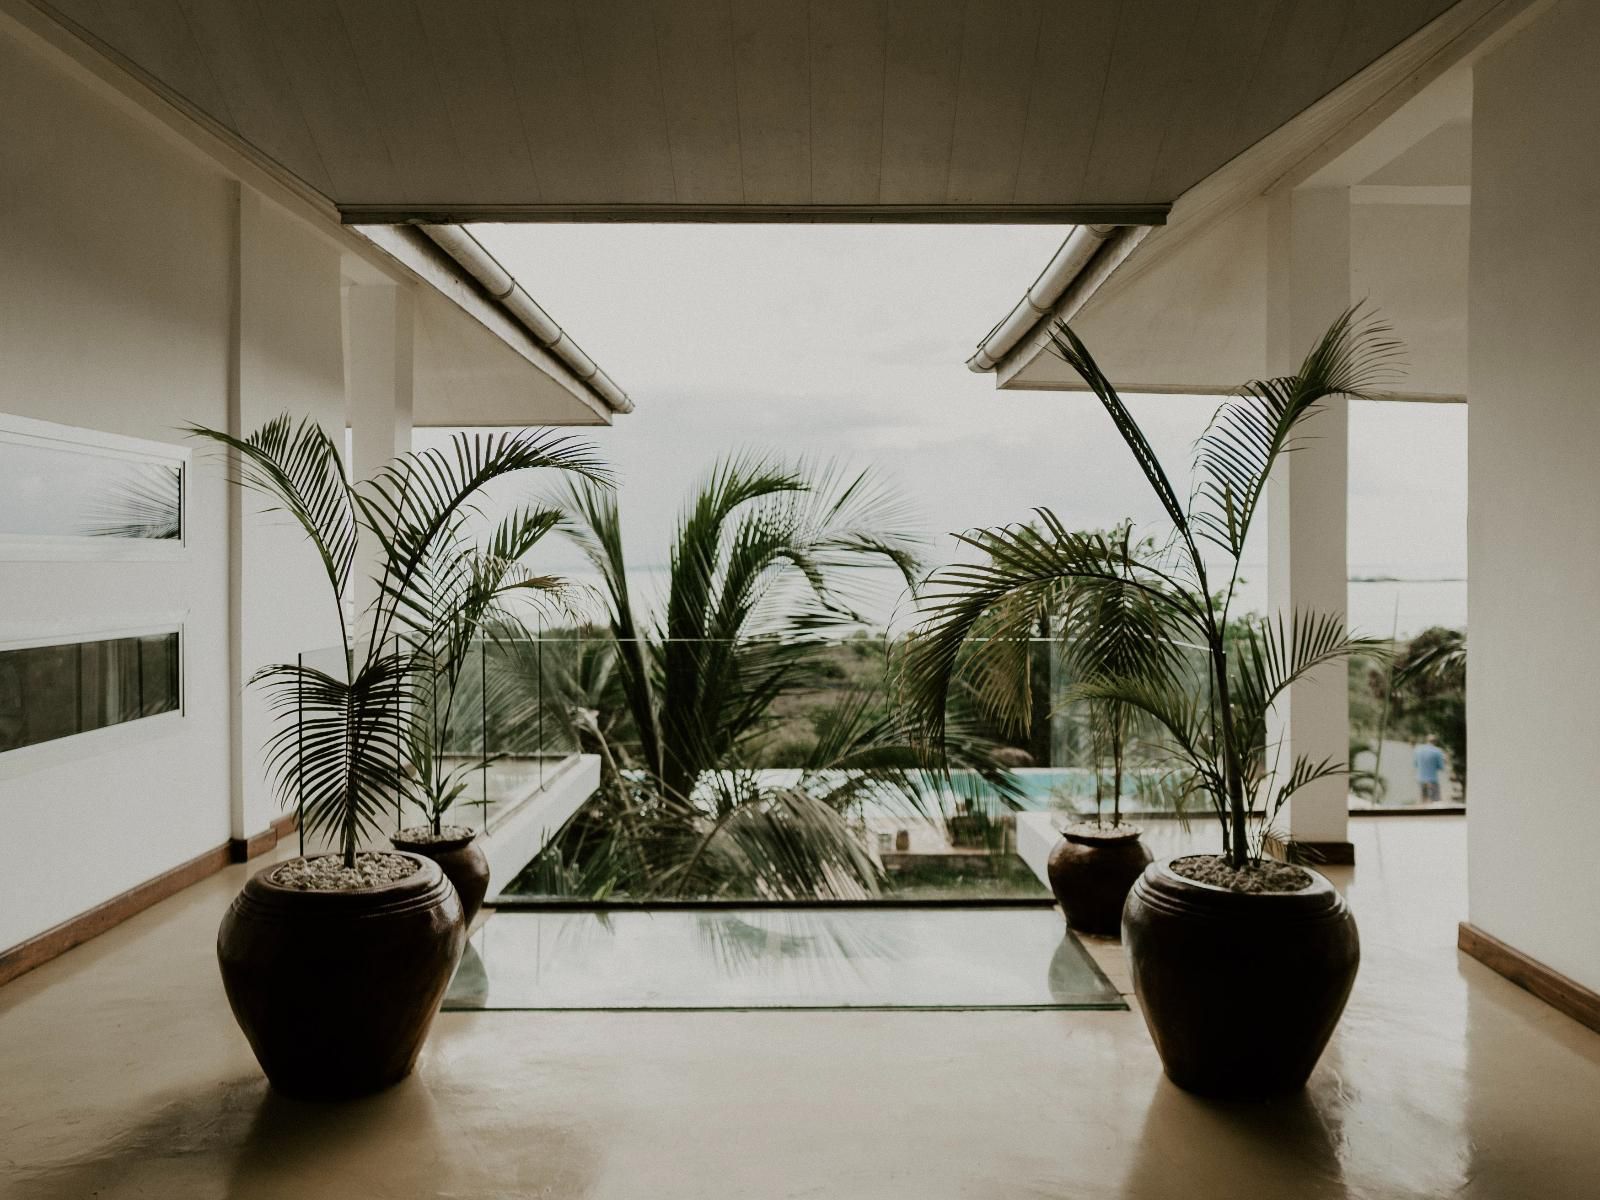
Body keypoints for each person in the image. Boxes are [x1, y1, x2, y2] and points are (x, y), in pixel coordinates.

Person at [1414, 734, 1447, 804]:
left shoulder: (1418, 750)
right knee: (1436, 802)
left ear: (1426, 740)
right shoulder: (1437, 751)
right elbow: (1441, 767)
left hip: (1421, 780)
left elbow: (1415, 764)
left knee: (1422, 802)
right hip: (1432, 780)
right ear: (1435, 742)